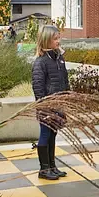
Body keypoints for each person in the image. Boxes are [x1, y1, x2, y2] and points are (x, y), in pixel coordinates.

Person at [31, 24, 70, 180]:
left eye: (59, 38)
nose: (58, 41)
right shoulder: (41, 62)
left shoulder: (59, 58)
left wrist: (67, 98)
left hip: (59, 105)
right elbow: (38, 86)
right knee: (45, 134)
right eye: (55, 39)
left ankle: (52, 166)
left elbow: (65, 80)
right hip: (47, 107)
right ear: (46, 40)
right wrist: (44, 107)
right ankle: (44, 169)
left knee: (53, 134)